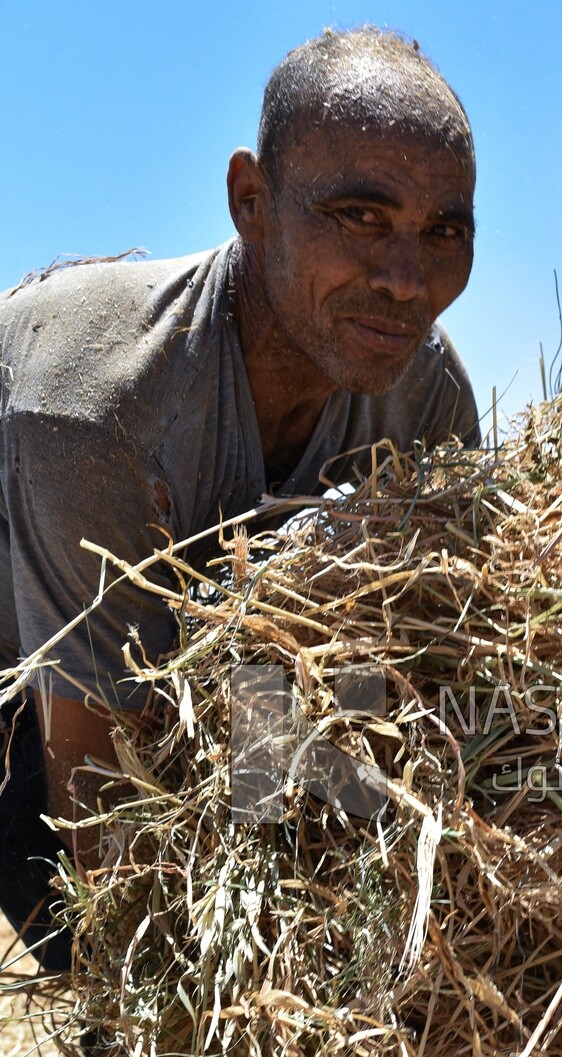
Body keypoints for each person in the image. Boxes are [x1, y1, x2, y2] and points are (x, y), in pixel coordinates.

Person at [0, 26, 479, 968]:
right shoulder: (106, 404)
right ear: (251, 202)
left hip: (174, 656)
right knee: (152, 1013)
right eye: (360, 217)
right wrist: (186, 1021)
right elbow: (101, 795)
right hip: (30, 673)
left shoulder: (423, 396)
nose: (405, 280)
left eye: (444, 231)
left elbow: (383, 667)